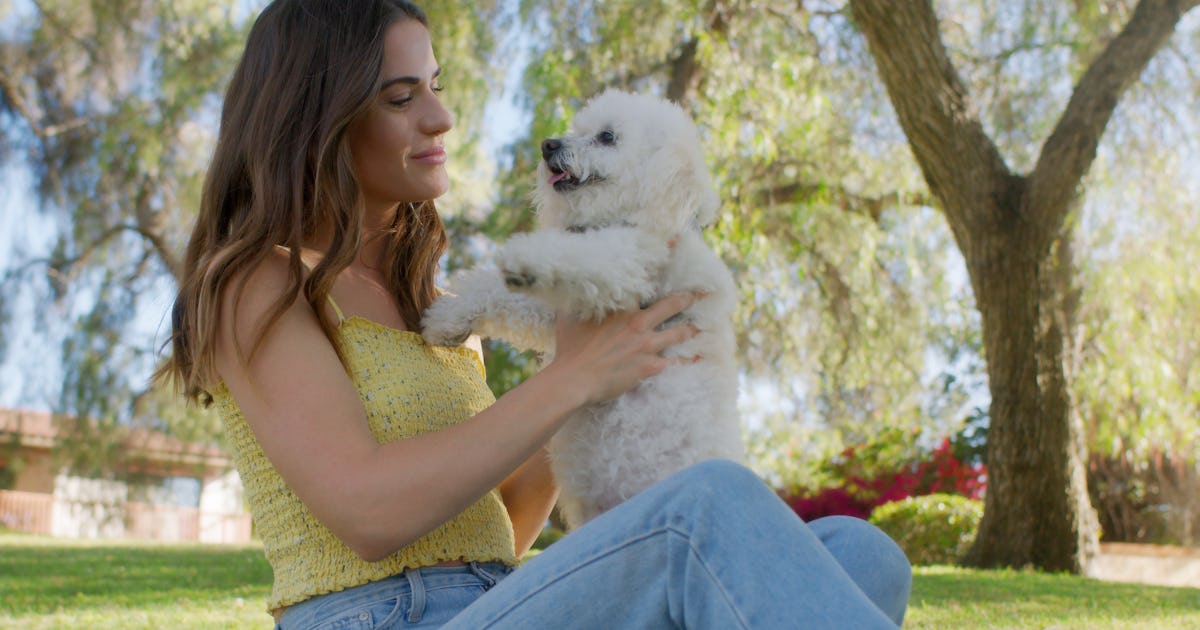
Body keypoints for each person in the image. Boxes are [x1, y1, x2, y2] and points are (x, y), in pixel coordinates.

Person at [158, 0, 913, 628]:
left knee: (858, 552)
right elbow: (368, 512)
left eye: (436, 86)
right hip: (386, 617)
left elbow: (504, 530)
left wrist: (616, 376)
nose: (441, 117)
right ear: (316, 118)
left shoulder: (439, 312)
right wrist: (573, 378)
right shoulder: (255, 285)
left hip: (502, 602)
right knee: (708, 510)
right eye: (401, 97)